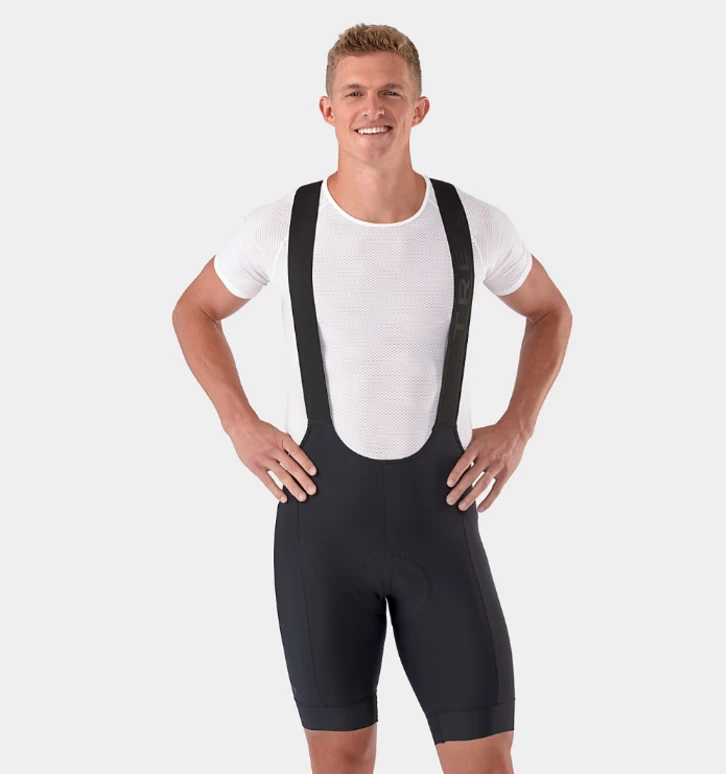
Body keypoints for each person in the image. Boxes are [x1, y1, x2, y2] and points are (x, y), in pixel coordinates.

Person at [172, 22, 571, 774]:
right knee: (343, 760)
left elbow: (551, 311)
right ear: (328, 110)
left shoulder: (473, 223)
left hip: (440, 527)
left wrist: (518, 424)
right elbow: (194, 310)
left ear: (420, 108)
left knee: (485, 759)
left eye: (391, 91)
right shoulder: (282, 224)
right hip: (321, 531)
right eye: (354, 92)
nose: (372, 107)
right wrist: (238, 422)